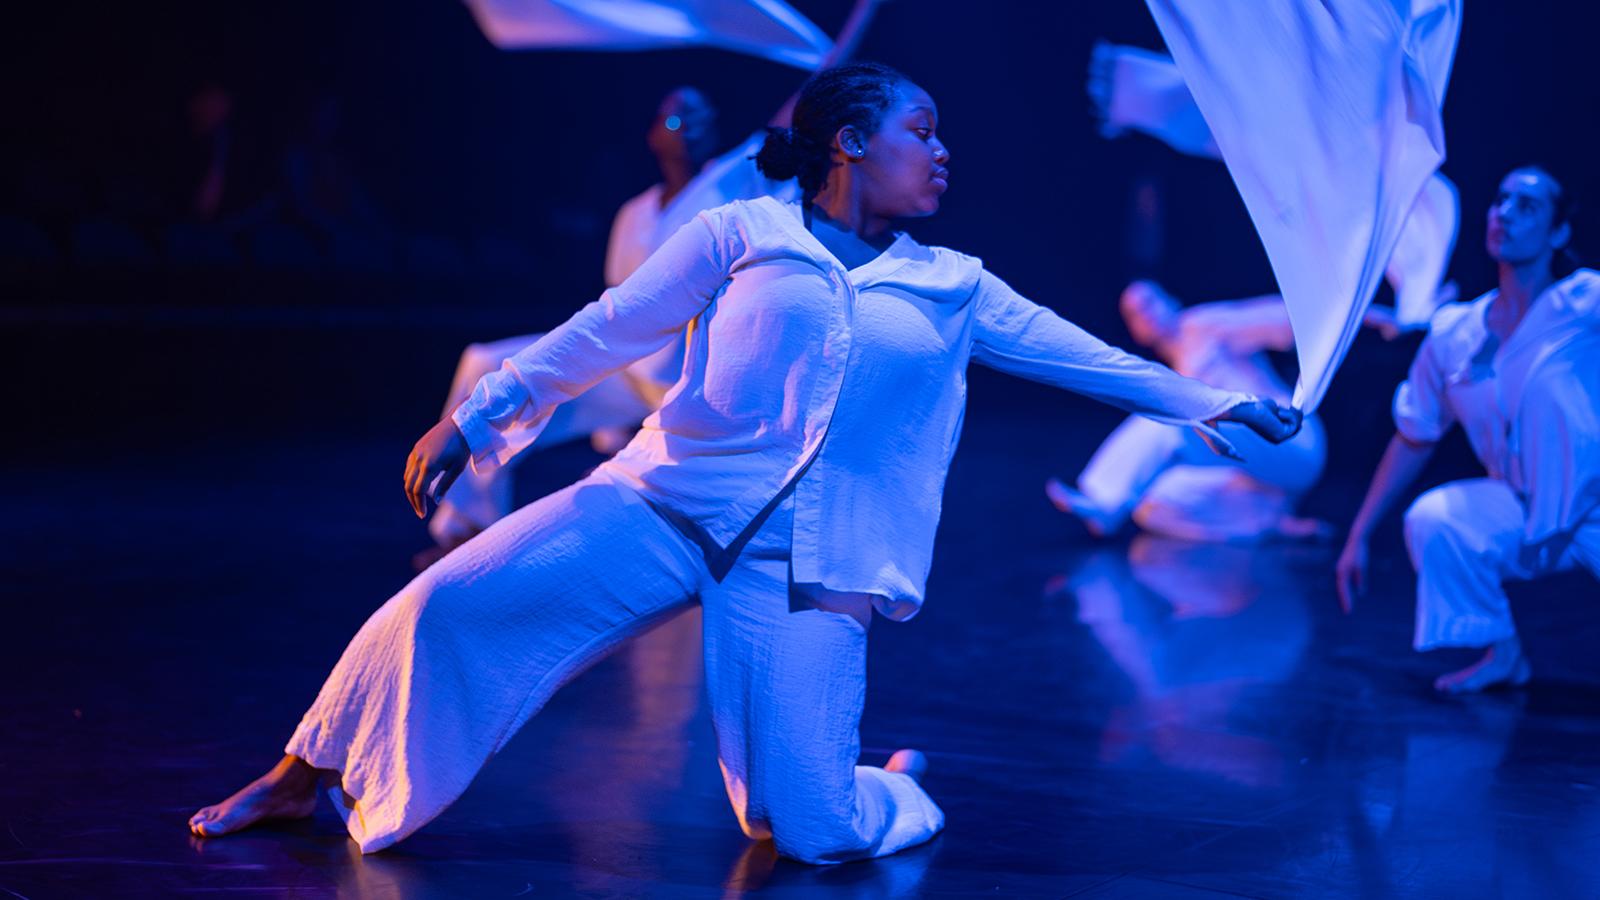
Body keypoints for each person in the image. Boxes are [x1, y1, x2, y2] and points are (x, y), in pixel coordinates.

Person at [188, 62, 1300, 864]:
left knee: (808, 833)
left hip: (807, 566)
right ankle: (307, 774)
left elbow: (1091, 359)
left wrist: (1222, 402)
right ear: (852, 141)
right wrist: (476, 418)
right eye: (925, 129)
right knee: (447, 604)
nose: (944, 149)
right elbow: (607, 329)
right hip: (662, 502)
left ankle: (890, 794)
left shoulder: (954, 283)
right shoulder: (742, 236)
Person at [422, 0, 884, 566]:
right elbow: (616, 304)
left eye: (699, 117)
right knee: (484, 365)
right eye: (674, 119)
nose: (687, 127)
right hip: (628, 375)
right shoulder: (635, 213)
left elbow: (804, 106)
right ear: (653, 137)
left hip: (688, 386)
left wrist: (859, 23)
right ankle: (463, 526)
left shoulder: (732, 178)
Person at [1336, 166, 1600, 694]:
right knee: (1438, 521)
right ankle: (1503, 654)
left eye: (1527, 206)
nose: (1504, 213)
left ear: (1558, 232)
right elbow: (1416, 433)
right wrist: (1359, 533)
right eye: (1500, 200)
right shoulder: (1456, 332)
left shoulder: (1586, 303)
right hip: (1523, 504)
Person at [1046, 282, 1346, 542]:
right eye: (1134, 314)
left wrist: (1358, 311)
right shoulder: (1174, 369)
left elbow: (1281, 319)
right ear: (1135, 331)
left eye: (1149, 302)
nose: (1145, 314)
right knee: (1151, 502)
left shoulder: (1202, 326)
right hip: (1261, 469)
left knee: (1171, 415)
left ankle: (1103, 500)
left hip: (1293, 440)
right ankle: (1268, 519)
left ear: (1171, 301)